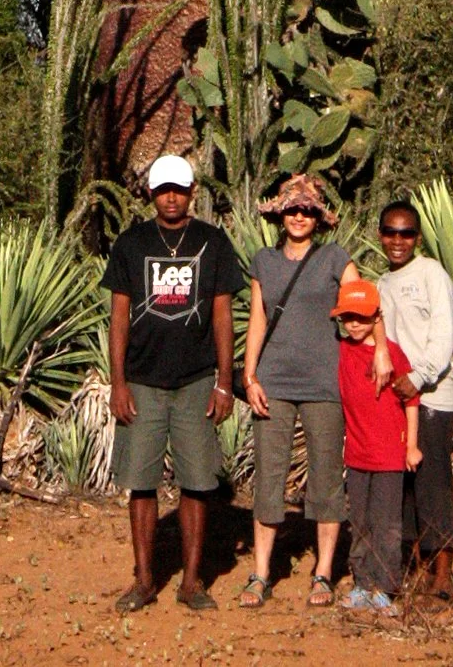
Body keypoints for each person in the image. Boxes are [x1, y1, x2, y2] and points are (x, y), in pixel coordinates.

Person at [104, 154, 242, 616]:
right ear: (150, 192)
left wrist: (225, 381)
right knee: (140, 484)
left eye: (179, 190)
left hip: (196, 381)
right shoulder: (132, 244)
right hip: (142, 381)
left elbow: (223, 315)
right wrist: (117, 381)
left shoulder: (212, 243)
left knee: (197, 482)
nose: (170, 197)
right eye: (163, 188)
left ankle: (190, 581)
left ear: (192, 192)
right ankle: (144, 580)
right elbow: (119, 317)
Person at [238, 172, 363, 611]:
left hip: (325, 382)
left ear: (318, 218)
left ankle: (324, 572)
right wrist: (250, 376)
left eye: (307, 210)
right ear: (280, 215)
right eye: (291, 209)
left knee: (327, 477)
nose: (298, 215)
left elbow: (362, 309)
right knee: (269, 477)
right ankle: (260, 573)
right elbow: (257, 319)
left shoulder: (335, 259)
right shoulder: (264, 262)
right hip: (273, 382)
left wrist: (375, 356)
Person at [375, 196, 453, 601]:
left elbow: (443, 334)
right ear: (380, 235)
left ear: (418, 237)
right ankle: (416, 567)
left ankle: (443, 573)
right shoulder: (382, 283)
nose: (398, 240)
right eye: (391, 232)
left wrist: (420, 376)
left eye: (406, 233)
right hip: (397, 400)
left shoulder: (431, 274)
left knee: (432, 482)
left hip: (431, 397)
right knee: (404, 487)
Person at [333, 277, 421, 613]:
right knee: (360, 522)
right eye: (347, 317)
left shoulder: (392, 354)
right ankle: (361, 583)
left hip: (388, 456)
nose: (354, 324)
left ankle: (386, 587)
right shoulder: (342, 351)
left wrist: (411, 446)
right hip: (356, 456)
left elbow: (411, 400)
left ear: (376, 318)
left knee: (387, 524)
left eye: (362, 317)